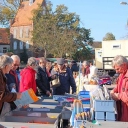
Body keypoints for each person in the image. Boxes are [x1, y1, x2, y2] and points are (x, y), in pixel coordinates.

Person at [110, 55, 128, 121]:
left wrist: (118, 96)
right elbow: (119, 87)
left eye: (118, 69)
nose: (116, 71)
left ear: (124, 65)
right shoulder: (122, 75)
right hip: (122, 111)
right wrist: (113, 90)